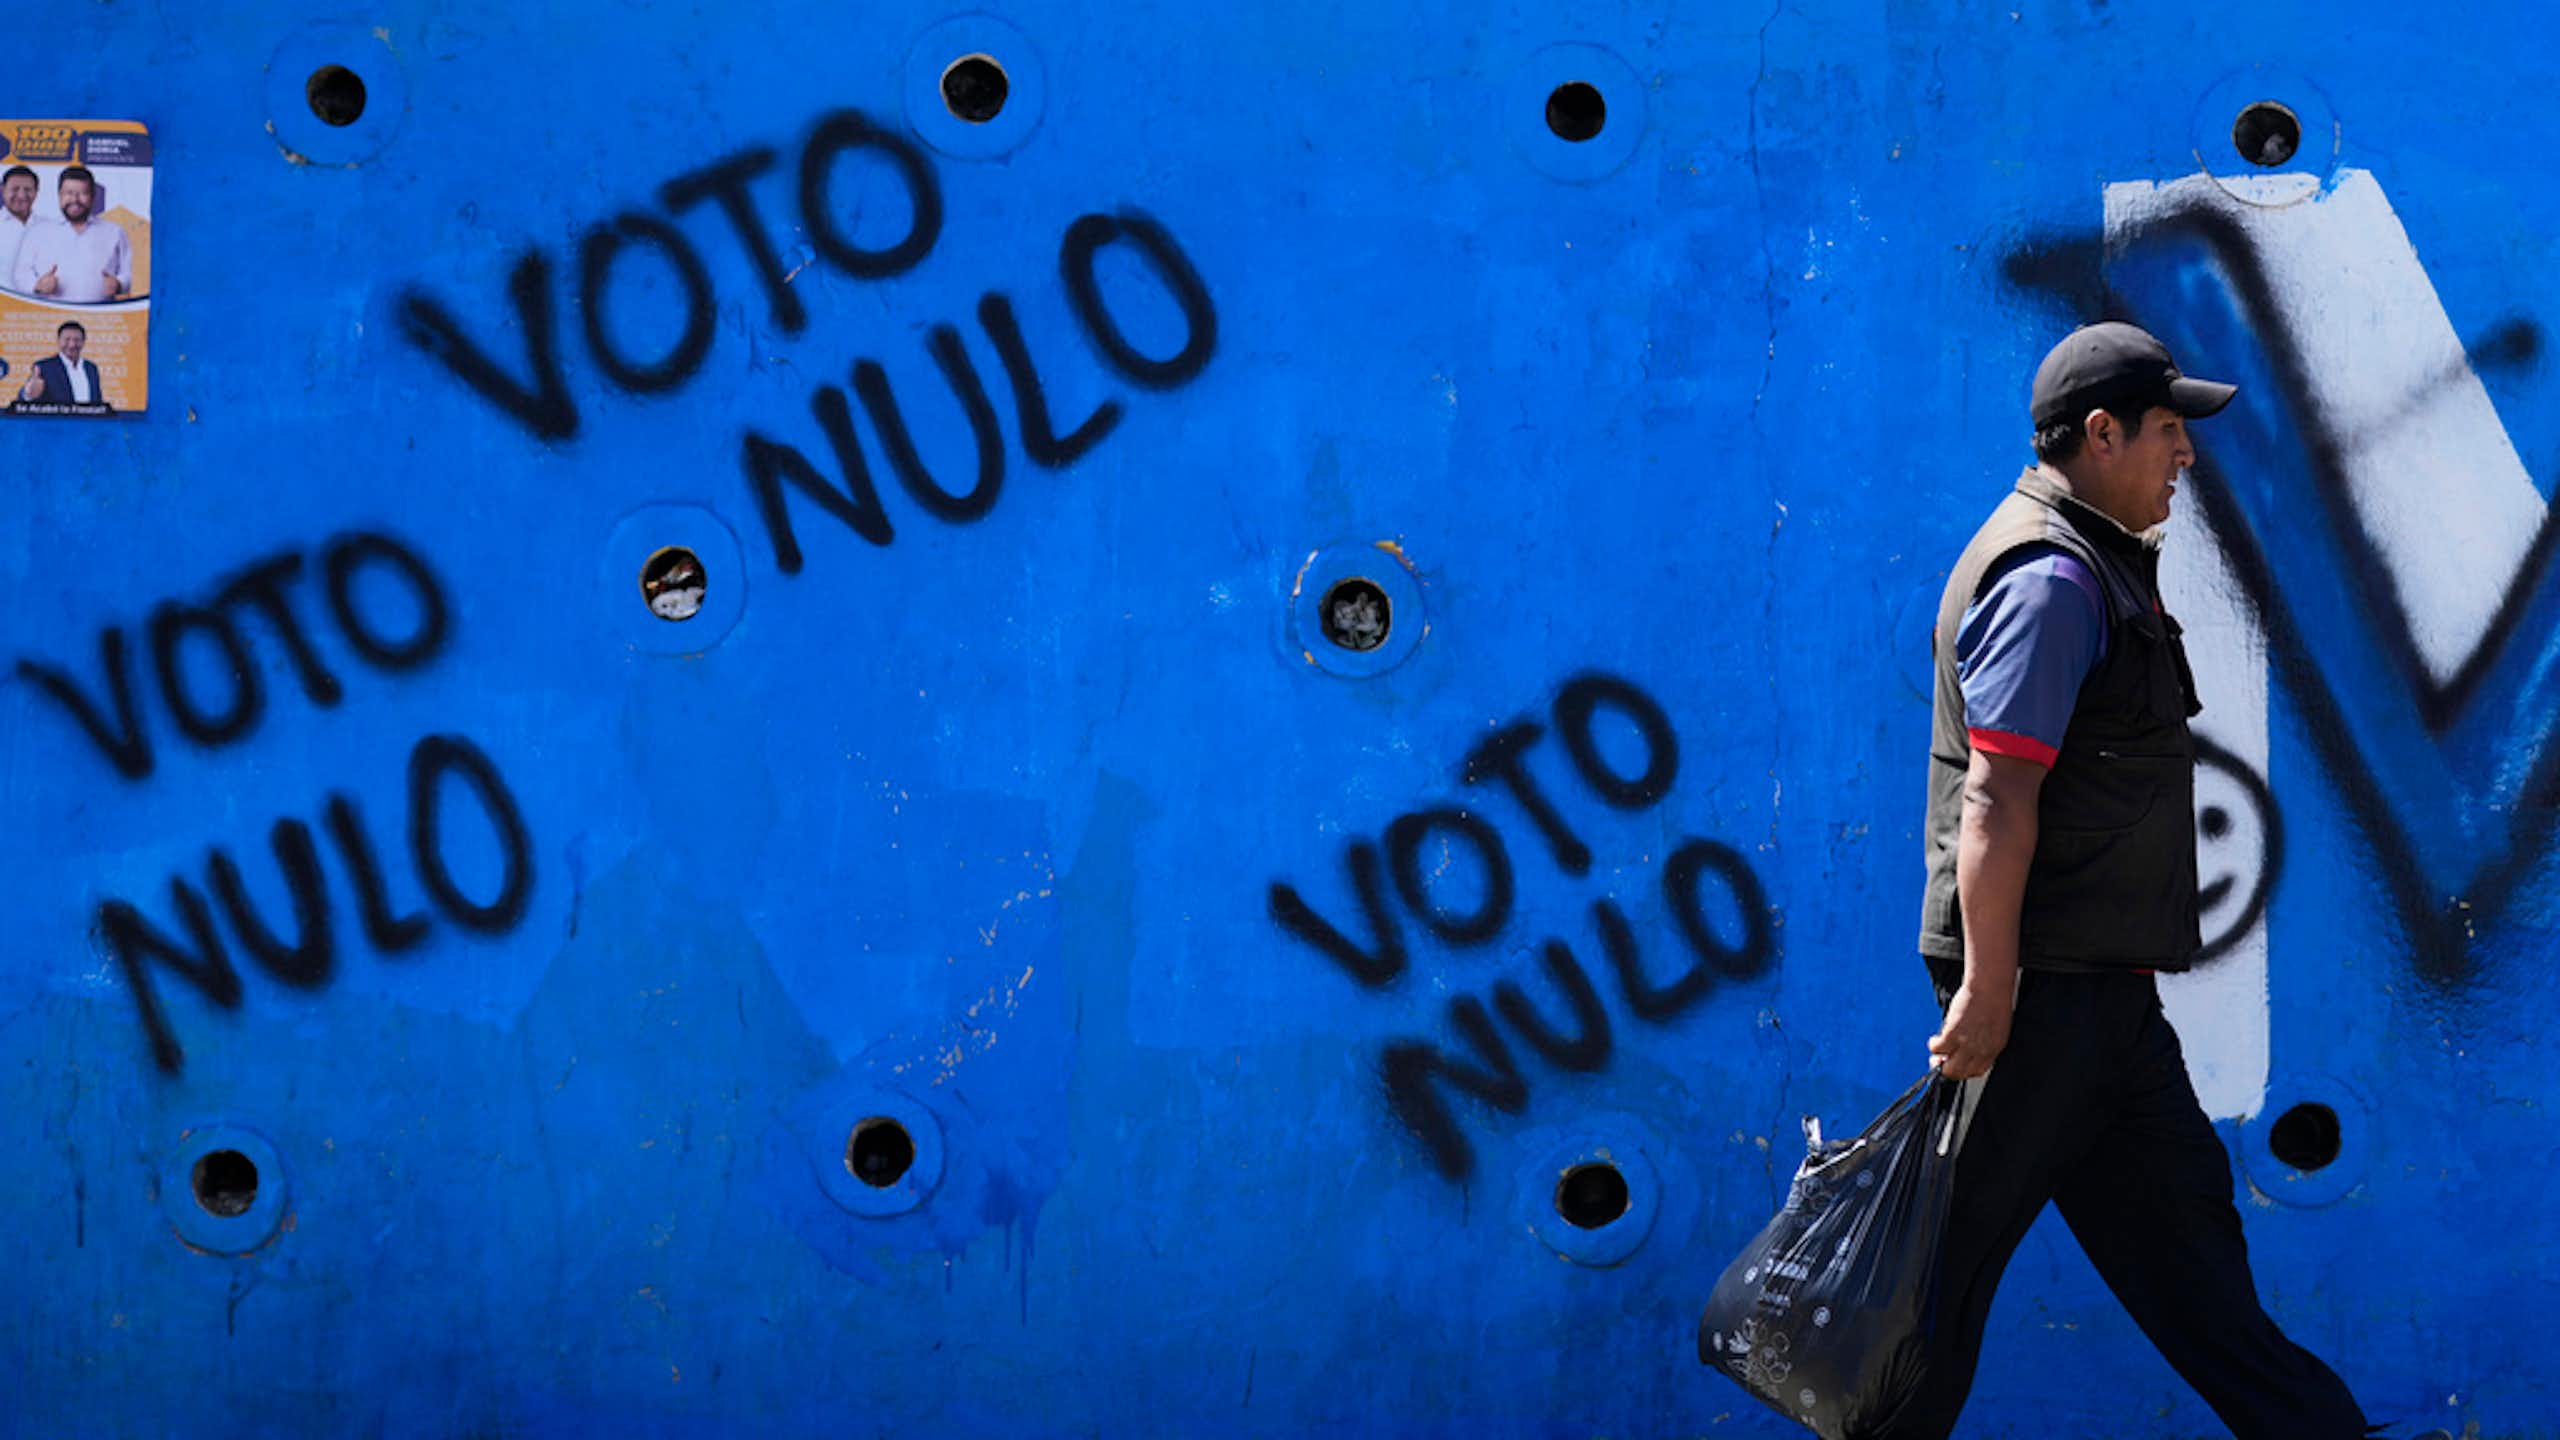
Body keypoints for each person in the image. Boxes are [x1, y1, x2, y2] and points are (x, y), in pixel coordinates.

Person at [1884, 322, 2385, 1439]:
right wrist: (1989, 991)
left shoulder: (2097, 560)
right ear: (2099, 434)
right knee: (1934, 1305)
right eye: (2168, 432)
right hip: (2037, 996)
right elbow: (1996, 800)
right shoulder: (2051, 579)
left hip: (2100, 998)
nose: (2186, 456)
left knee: (2199, 1280)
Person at [10, 166, 131, 303]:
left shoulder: (114, 232)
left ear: (92, 197)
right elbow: (20, 273)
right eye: (68, 193)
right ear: (59, 195)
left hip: (101, 318)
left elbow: (128, 272)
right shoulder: (38, 232)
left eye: (82, 193)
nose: (75, 199)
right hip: (50, 315)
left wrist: (119, 285)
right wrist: (36, 286)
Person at [19, 320, 105, 408]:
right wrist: (28, 395)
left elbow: (98, 403)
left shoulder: (91, 368)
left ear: (83, 342)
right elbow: (23, 399)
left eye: (77, 340)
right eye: (67, 339)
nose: (72, 345)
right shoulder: (44, 368)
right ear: (59, 341)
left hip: (90, 421)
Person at [0, 165, 38, 283]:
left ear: (36, 192)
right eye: (15, 189)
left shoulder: (48, 227)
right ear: (2, 189)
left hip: (38, 300)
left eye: (27, 190)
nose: (21, 196)